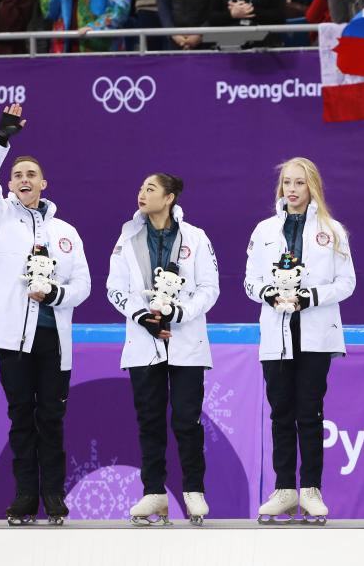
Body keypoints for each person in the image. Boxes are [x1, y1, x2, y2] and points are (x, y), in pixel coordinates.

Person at [0, 103, 91, 525]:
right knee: (21, 418)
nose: (25, 180)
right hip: (12, 339)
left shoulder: (66, 232)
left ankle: (54, 496)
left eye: (31, 175)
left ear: (44, 183)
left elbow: (83, 285)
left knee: (52, 419)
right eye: (18, 175)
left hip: (54, 340)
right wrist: (2, 138)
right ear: (11, 185)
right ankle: (25, 496)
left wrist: (55, 294)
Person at [243, 157, 355, 524]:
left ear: (313, 187)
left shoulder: (331, 229)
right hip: (276, 333)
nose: (291, 190)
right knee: (280, 414)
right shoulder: (264, 230)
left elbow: (346, 283)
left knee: (310, 413)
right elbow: (249, 279)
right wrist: (269, 292)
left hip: (315, 335)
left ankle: (310, 490)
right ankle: (283, 489)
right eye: (287, 183)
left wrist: (310, 297)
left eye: (299, 183)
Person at [106, 173, 219, 526]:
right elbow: (114, 287)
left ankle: (193, 492)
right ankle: (153, 493)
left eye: (150, 189)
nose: (142, 193)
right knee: (150, 421)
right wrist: (141, 316)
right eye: (140, 188)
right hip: (144, 342)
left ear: (169, 197)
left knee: (187, 420)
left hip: (186, 342)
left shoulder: (196, 238)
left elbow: (209, 287)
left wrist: (179, 313)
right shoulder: (127, 238)